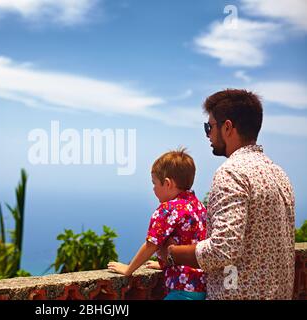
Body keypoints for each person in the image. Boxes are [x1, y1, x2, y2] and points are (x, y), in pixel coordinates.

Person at [160, 89, 295, 299]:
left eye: (209, 127)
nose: (208, 135)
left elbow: (222, 249)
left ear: (228, 127)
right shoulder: (278, 173)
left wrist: (172, 253)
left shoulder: (231, 172)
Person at [108, 148, 207, 300]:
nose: (153, 189)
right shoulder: (197, 205)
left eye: (154, 183)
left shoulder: (168, 209)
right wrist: (163, 264)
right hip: (201, 286)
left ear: (167, 184)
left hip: (181, 289)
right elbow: (187, 241)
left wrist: (129, 269)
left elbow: (151, 244)